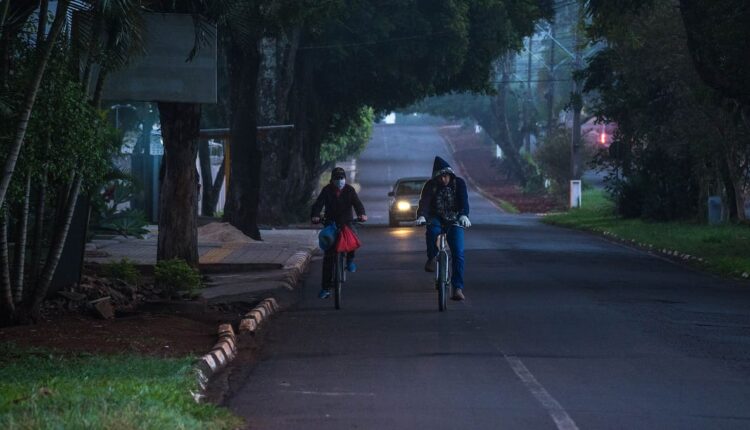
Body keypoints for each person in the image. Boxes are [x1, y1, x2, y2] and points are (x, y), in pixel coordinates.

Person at [416, 156, 471, 301]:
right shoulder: (430, 185)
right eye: (440, 177)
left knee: (458, 253)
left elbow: (464, 201)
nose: (443, 180)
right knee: (432, 232)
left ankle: (457, 288)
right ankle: (432, 258)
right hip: (436, 217)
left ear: (450, 174)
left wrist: (464, 215)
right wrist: (422, 215)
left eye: (445, 176)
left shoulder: (459, 183)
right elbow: (425, 202)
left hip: (454, 219)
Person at [311, 167, 368, 299]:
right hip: (330, 223)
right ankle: (325, 288)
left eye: (342, 178)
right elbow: (318, 204)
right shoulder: (327, 190)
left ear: (345, 179)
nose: (340, 181)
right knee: (328, 257)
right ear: (332, 180)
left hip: (347, 222)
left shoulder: (349, 190)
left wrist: (362, 214)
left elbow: (358, 204)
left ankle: (350, 261)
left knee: (353, 240)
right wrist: (315, 215)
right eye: (337, 178)